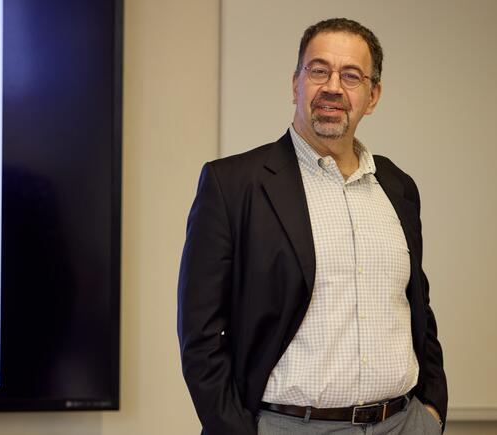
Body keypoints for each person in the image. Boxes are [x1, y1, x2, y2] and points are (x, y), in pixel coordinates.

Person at [177, 18, 448, 435]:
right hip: (288, 425)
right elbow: (201, 333)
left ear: (372, 96)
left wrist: (431, 409)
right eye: (318, 70)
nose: (333, 87)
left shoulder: (398, 188)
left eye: (351, 76)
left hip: (404, 422)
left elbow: (417, 307)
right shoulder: (232, 185)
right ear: (296, 83)